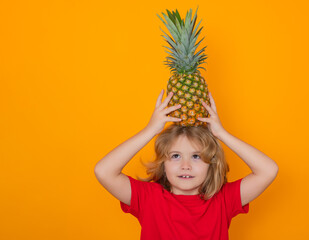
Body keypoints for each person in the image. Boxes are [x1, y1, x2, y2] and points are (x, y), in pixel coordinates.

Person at [94, 89, 279, 240]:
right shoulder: (149, 199)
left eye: (196, 157)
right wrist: (150, 130)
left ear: (211, 163)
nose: (185, 165)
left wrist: (222, 134)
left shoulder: (223, 200)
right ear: (163, 163)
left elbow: (268, 170)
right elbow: (103, 171)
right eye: (175, 156)